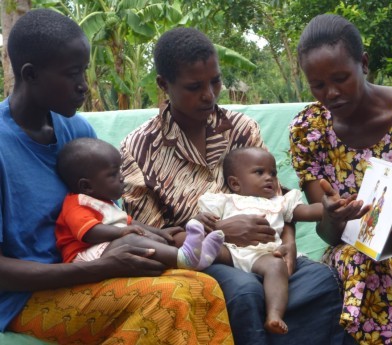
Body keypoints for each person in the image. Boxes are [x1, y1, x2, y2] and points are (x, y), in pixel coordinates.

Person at [0, 9, 232, 344]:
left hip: (87, 273)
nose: (83, 86)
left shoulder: (77, 131)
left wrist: (155, 235)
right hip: (27, 297)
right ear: (31, 74)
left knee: (206, 287)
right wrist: (97, 268)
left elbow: (105, 213)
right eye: (72, 74)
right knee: (170, 298)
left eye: (85, 71)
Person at [121, 26, 354, 344]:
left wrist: (288, 244)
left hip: (265, 249)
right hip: (203, 261)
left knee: (321, 279)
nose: (209, 95)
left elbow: (276, 199)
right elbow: (152, 236)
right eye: (194, 86)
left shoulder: (241, 129)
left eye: (215, 81)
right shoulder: (138, 149)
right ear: (164, 85)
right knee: (244, 291)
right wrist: (220, 233)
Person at [289, 13, 392, 344]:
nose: (331, 93)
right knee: (364, 263)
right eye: (318, 85)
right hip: (357, 250)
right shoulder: (308, 132)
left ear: (364, 64)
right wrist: (331, 216)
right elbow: (328, 234)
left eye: (341, 78)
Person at [196, 147, 323, 334]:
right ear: (235, 183)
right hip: (229, 251)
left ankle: (274, 315)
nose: (269, 177)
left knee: (277, 267)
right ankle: (190, 258)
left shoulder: (280, 202)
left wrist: (329, 207)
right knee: (206, 245)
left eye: (273, 173)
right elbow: (207, 222)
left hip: (263, 255)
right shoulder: (224, 200)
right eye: (259, 172)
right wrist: (200, 219)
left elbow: (308, 212)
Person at [55, 137, 224, 270]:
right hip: (85, 258)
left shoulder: (104, 202)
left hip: (105, 248)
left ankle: (197, 260)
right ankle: (185, 258)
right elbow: (89, 232)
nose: (121, 177)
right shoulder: (76, 204)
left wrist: (159, 232)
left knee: (156, 239)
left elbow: (129, 222)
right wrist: (122, 233)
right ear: (86, 186)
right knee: (132, 240)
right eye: (113, 174)